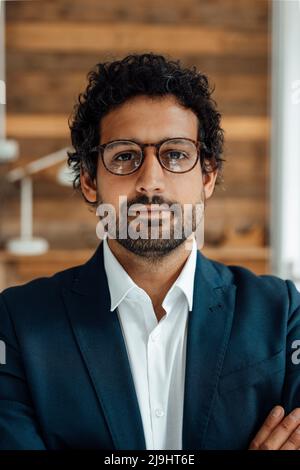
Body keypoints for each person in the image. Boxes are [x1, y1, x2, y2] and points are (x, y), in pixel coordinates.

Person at [0, 53, 300, 451]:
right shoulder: (18, 322)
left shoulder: (281, 313)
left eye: (175, 154)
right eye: (124, 156)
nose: (151, 181)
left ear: (207, 175)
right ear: (90, 180)